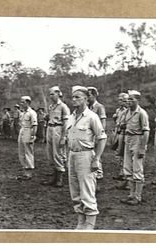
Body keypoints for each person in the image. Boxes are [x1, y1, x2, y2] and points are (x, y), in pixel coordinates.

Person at [66, 85, 107, 230]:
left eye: (77, 97)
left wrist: (97, 159)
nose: (74, 100)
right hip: (73, 155)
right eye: (73, 97)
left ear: (86, 98)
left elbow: (102, 138)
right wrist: (68, 156)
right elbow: (71, 138)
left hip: (86, 155)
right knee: (75, 191)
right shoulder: (71, 117)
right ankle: (81, 221)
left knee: (87, 190)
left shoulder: (92, 117)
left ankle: (90, 224)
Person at [120, 90, 150, 206]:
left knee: (137, 168)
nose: (129, 101)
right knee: (127, 168)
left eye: (132, 99)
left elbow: (146, 132)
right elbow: (123, 124)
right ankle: (131, 194)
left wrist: (142, 148)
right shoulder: (127, 112)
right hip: (128, 139)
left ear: (138, 100)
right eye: (128, 99)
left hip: (138, 139)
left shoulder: (142, 113)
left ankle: (137, 196)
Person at [42, 86, 70, 188]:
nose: (50, 96)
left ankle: (60, 178)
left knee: (58, 153)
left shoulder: (63, 107)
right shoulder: (51, 106)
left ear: (58, 94)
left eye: (52, 94)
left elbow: (67, 123)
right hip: (50, 129)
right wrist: (46, 117)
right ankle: (54, 176)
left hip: (58, 129)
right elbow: (49, 118)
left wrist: (64, 137)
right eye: (50, 94)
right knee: (50, 154)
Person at [87, 86, 107, 185]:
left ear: (94, 95)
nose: (87, 98)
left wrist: (99, 135)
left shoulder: (99, 107)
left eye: (89, 95)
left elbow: (103, 122)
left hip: (97, 133)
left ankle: (99, 175)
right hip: (89, 135)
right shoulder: (88, 107)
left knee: (97, 155)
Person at [17, 96, 38, 181]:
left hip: (28, 131)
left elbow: (34, 125)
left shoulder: (32, 113)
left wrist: (32, 136)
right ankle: (25, 170)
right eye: (21, 102)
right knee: (21, 151)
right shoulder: (22, 113)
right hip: (22, 130)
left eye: (23, 102)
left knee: (28, 152)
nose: (21, 104)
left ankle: (29, 172)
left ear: (28, 103)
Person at [112, 93, 129, 182]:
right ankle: (121, 172)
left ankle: (124, 172)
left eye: (123, 100)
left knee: (123, 153)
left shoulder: (128, 110)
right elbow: (117, 121)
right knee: (117, 153)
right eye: (120, 100)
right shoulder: (118, 110)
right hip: (117, 132)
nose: (121, 102)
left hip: (124, 133)